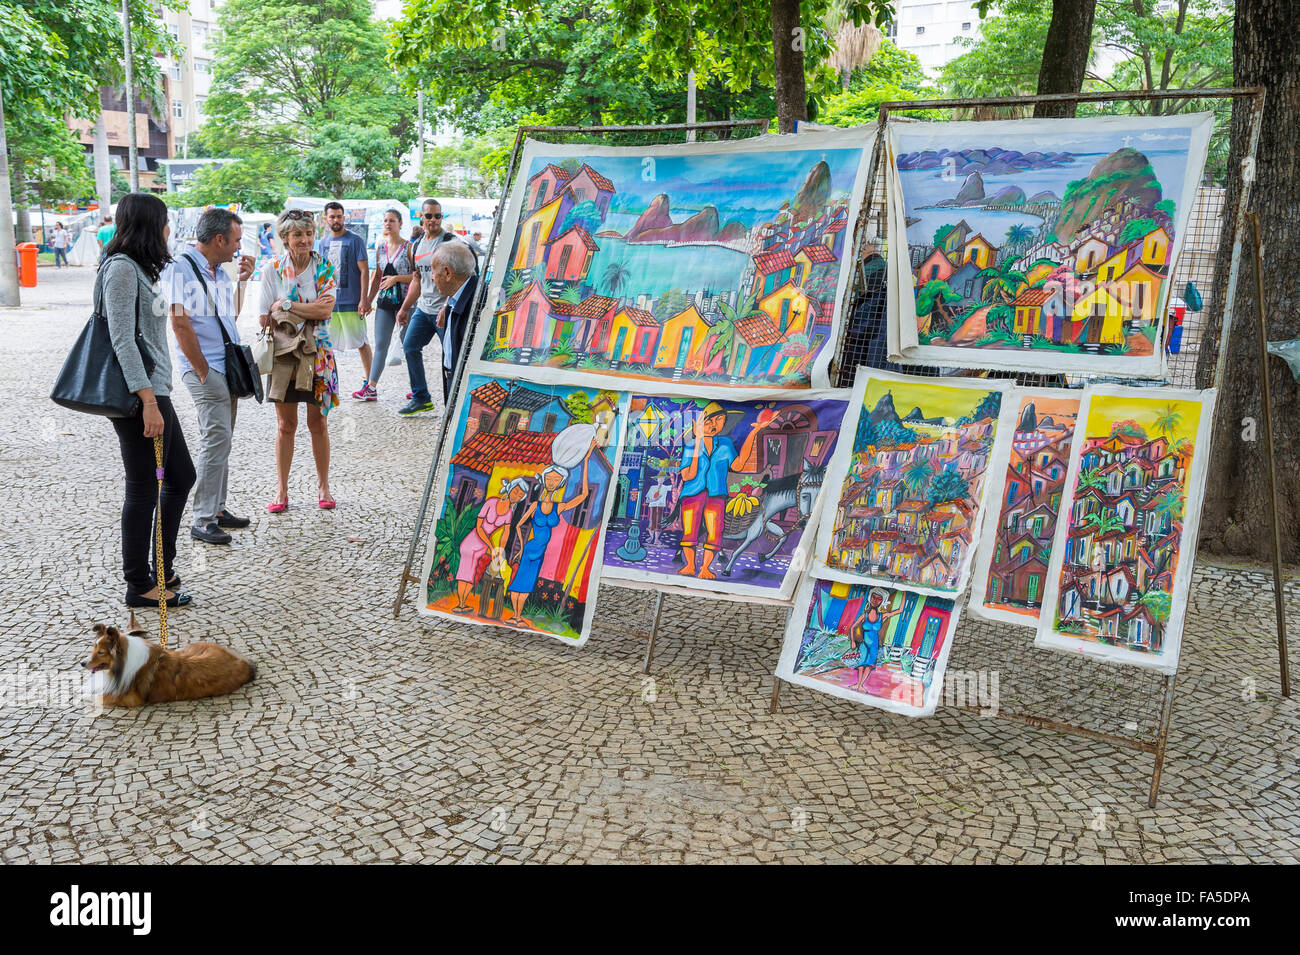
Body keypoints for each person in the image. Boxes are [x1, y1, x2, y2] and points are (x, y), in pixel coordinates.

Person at [101, 193, 196, 608]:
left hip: (154, 391)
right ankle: (139, 584)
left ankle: (163, 566)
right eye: (163, 222)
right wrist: (148, 401)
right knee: (143, 489)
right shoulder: (121, 269)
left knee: (180, 477)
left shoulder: (138, 269)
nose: (168, 230)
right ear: (147, 225)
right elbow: (122, 340)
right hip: (141, 396)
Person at [167, 207, 256, 545]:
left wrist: (242, 282)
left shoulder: (217, 271)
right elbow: (179, 323)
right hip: (207, 369)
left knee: (222, 441)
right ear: (219, 239)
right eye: (235, 241)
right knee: (214, 441)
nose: (238, 247)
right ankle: (202, 520)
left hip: (225, 367)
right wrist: (202, 370)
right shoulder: (181, 268)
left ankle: (217, 509)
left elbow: (228, 314)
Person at [260, 209, 339, 512]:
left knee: (318, 422)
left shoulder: (324, 267)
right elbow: (266, 315)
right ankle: (281, 489)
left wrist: (290, 305)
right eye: (297, 235)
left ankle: (324, 486)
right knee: (285, 425)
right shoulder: (272, 269)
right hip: (284, 354)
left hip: (318, 353)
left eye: (308, 234)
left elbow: (325, 312)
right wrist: (308, 307)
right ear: (284, 238)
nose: (304, 239)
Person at [676, 403, 771, 580]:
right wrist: (698, 442)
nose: (713, 425)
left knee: (714, 532)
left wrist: (754, 432)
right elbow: (689, 476)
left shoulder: (725, 445)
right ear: (698, 423)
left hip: (716, 494)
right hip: (692, 494)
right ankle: (689, 565)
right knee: (690, 531)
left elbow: (739, 465)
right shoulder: (690, 446)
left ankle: (705, 568)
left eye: (718, 420)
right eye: (708, 421)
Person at [395, 198, 468, 415]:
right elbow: (417, 279)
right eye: (429, 216)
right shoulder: (416, 245)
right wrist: (405, 307)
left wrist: (448, 305)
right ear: (422, 217)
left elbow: (464, 278)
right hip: (424, 309)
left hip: (445, 310)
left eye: (437, 216)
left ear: (441, 218)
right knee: (409, 347)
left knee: (451, 358)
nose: (433, 220)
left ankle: (455, 404)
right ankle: (421, 397)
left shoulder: (451, 243)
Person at [506, 460, 591, 625]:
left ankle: (516, 616)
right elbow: (518, 525)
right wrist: (521, 548)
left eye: (556, 480)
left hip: (540, 551)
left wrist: (585, 462)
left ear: (560, 484)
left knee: (526, 585)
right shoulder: (535, 505)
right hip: (530, 548)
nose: (552, 482)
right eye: (549, 479)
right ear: (544, 480)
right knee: (520, 583)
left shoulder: (558, 507)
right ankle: (515, 617)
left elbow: (584, 495)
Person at [316, 201, 372, 398]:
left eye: (339, 216)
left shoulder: (355, 240)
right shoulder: (322, 243)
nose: (336, 220)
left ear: (344, 217)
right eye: (332, 217)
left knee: (361, 342)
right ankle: (328, 383)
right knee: (326, 344)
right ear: (326, 219)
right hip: (330, 304)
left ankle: (370, 384)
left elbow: (365, 271)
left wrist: (363, 299)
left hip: (352, 302)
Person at [358, 209, 413, 399]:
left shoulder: (409, 247)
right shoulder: (381, 247)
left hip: (406, 302)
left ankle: (417, 388)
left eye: (392, 221)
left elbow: (418, 277)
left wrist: (397, 278)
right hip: (384, 301)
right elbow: (378, 277)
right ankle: (371, 387)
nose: (388, 224)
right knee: (381, 343)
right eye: (385, 221)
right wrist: (367, 300)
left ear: (400, 223)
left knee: (409, 345)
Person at [453, 477, 529, 613]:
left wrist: (499, 550)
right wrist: (491, 546)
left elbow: (505, 534)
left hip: (483, 546)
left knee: (471, 574)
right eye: (516, 491)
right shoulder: (491, 502)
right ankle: (460, 604)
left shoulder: (509, 513)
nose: (516, 496)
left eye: (520, 495)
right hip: (472, 541)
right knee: (464, 572)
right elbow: (479, 527)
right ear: (510, 489)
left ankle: (462, 604)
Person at [846, 588, 905, 692]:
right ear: (870, 597)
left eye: (879, 599)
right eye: (873, 597)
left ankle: (861, 685)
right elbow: (852, 627)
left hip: (874, 645)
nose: (875, 600)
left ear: (882, 601)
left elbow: (899, 610)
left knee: (869, 665)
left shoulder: (882, 616)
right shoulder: (865, 615)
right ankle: (857, 684)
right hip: (864, 644)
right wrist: (853, 641)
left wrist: (905, 592)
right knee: (861, 665)